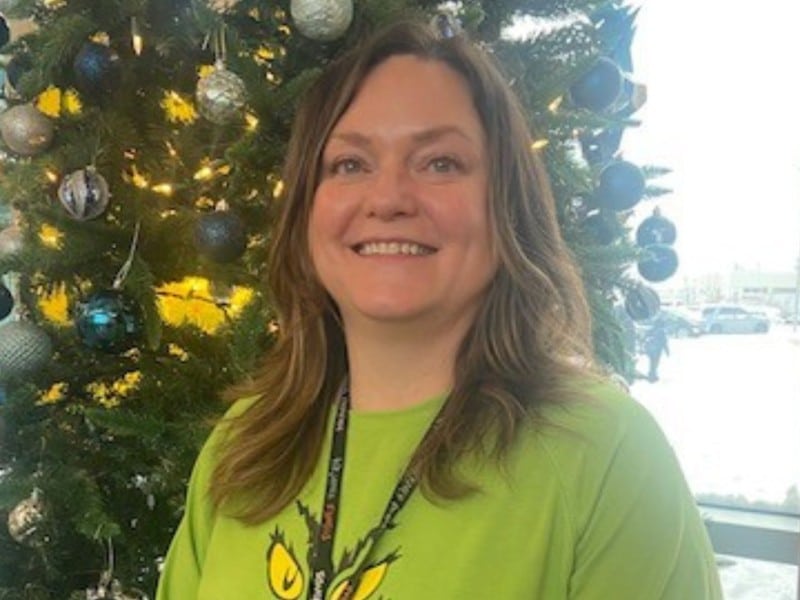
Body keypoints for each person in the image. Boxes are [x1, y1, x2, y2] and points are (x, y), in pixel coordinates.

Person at [156, 18, 722, 599]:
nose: (388, 199)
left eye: (440, 163)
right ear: (306, 208)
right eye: (350, 164)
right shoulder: (244, 442)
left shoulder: (608, 456)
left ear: (505, 204)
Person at [644, 317, 670, 382]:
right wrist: (667, 351)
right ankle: (653, 375)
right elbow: (664, 342)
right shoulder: (662, 332)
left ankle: (651, 374)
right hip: (657, 350)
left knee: (652, 362)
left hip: (650, 349)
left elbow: (645, 338)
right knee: (655, 363)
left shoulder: (651, 330)